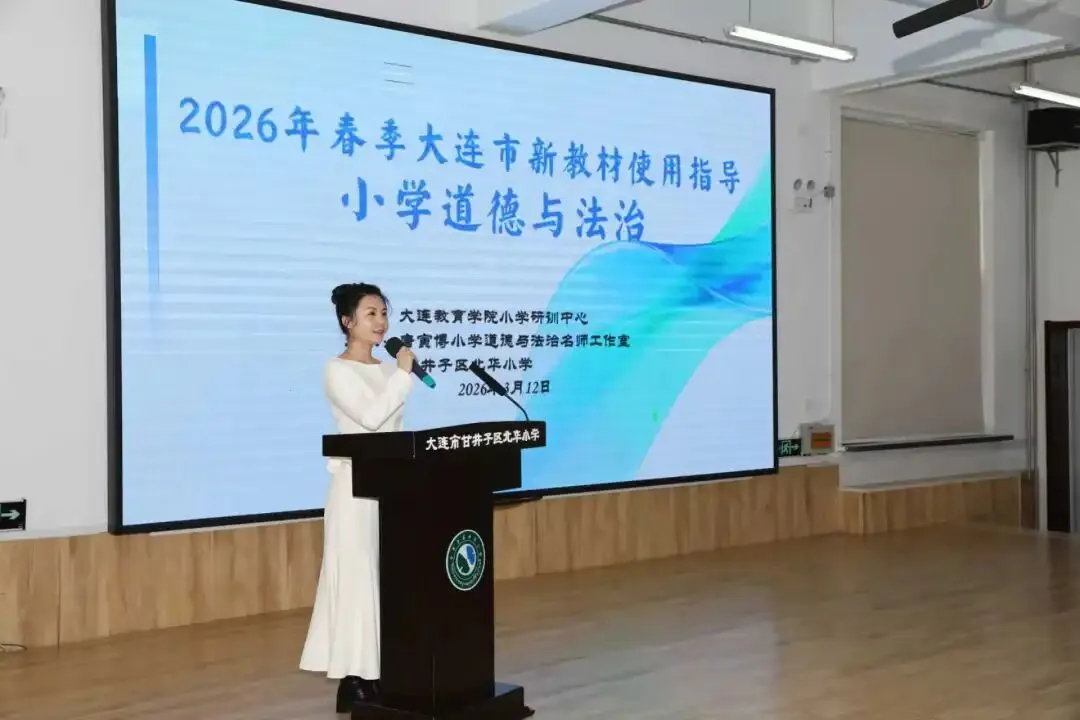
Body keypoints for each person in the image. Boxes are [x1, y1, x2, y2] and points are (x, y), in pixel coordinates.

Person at [300, 282, 416, 714]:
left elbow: (394, 430)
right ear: (347, 322)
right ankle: (354, 677)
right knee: (356, 578)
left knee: (383, 579)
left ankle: (376, 670)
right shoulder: (338, 370)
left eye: (384, 313)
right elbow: (370, 419)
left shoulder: (388, 371)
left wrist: (398, 375)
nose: (381, 322)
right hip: (355, 489)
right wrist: (403, 374)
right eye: (371, 314)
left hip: (390, 488)